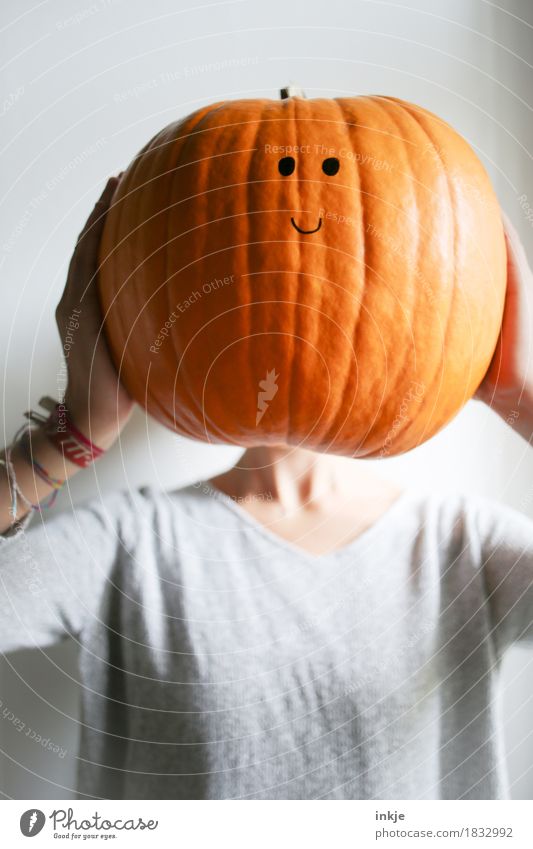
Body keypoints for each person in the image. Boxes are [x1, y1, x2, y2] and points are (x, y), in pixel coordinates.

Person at [0, 177, 532, 801]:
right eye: (254, 275)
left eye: (340, 277)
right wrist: (72, 433)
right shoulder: (129, 544)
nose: (297, 304)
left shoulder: (467, 549)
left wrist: (522, 397)